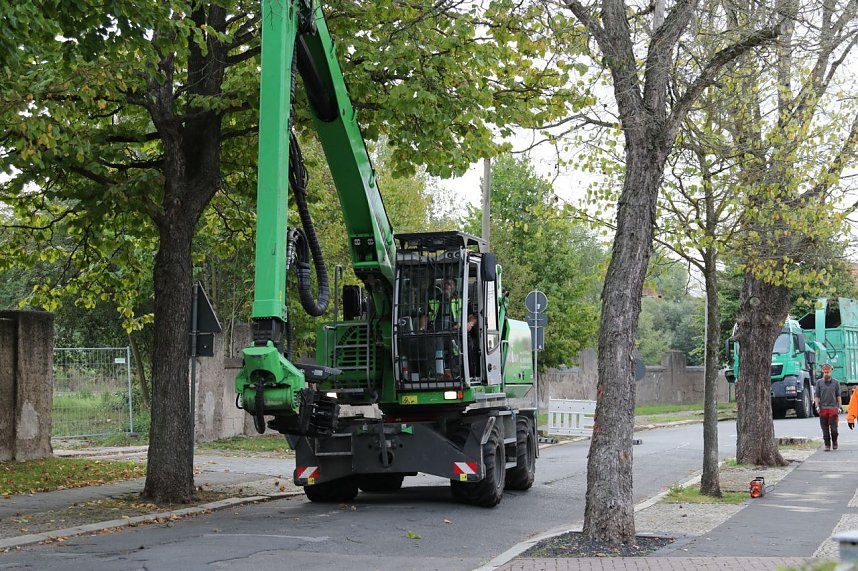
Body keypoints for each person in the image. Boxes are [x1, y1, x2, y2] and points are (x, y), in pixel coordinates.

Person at [815, 363, 842, 451]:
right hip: (823, 409)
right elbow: (817, 396)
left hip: (833, 408)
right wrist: (817, 406)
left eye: (828, 372)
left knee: (834, 429)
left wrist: (840, 406)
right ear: (823, 372)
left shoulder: (836, 382)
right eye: (825, 372)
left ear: (831, 371)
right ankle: (827, 444)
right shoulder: (819, 383)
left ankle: (835, 441)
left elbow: (838, 395)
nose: (826, 374)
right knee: (825, 428)